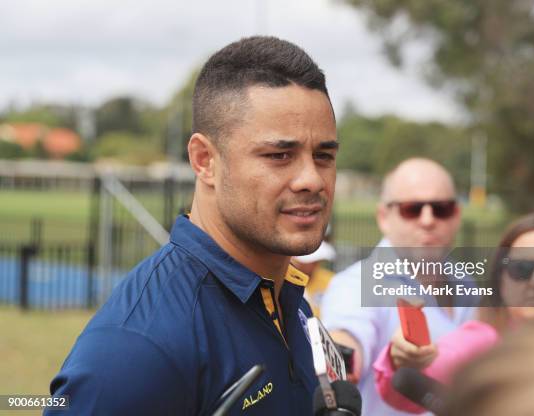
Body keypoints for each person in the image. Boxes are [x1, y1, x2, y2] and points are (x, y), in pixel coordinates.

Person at [45, 36, 338, 416]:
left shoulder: (291, 298)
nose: (311, 179)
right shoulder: (139, 347)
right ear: (204, 161)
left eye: (324, 155)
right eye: (280, 155)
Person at [374, 212, 534, 413]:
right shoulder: (480, 343)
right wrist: (403, 360)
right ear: (501, 279)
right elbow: (403, 392)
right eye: (522, 268)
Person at [320, 158, 478, 416]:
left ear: (457, 215)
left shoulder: (467, 281)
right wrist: (343, 357)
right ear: (384, 217)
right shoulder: (355, 285)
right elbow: (346, 339)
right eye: (411, 209)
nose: (428, 220)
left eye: (442, 208)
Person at [292, 240, 336, 318]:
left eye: (316, 262)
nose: (314, 266)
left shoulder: (330, 279)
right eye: (312, 262)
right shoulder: (287, 281)